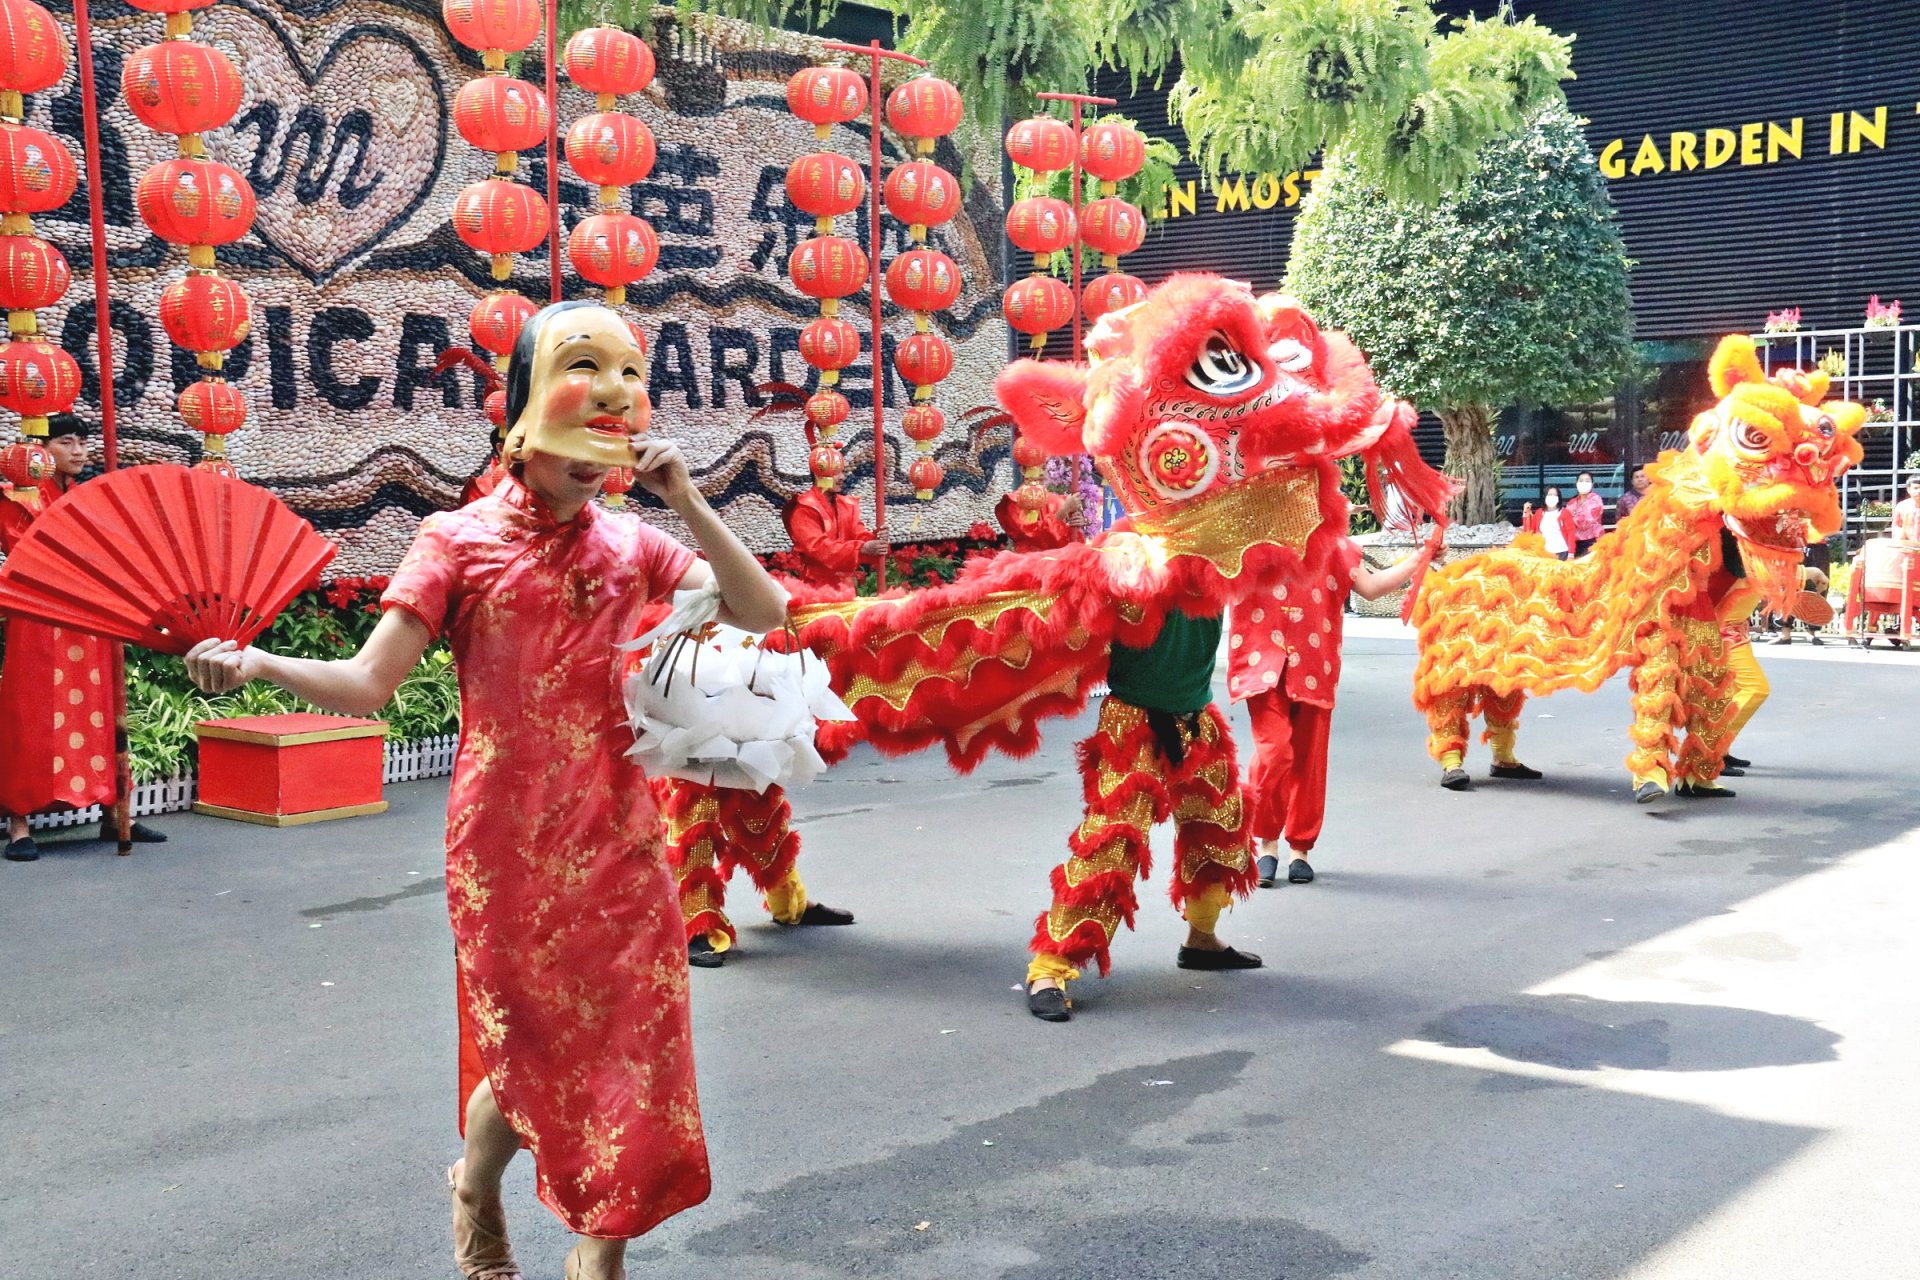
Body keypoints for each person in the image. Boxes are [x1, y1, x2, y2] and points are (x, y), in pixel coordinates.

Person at [184, 302, 789, 1280]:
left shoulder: (633, 546)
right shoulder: (454, 540)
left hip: (621, 838)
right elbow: (368, 682)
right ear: (520, 417)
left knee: (635, 1052)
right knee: (534, 1053)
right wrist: (257, 665)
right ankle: (475, 1179)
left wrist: (688, 500)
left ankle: (597, 1258)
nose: (596, 456)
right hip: (504, 847)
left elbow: (766, 612)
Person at [651, 472, 865, 969]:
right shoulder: (680, 595)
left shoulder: (758, 608)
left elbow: (767, 611)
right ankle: (697, 922)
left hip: (743, 718)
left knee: (761, 806)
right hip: (690, 722)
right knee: (695, 815)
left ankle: (789, 902)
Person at [0, 419, 165, 862]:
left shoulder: (85, 495)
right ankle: (19, 824)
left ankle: (115, 813)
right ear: (41, 447)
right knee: (32, 714)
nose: (77, 450)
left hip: (92, 618)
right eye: (65, 442)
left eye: (82, 442)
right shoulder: (18, 496)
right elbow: (30, 554)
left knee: (102, 711)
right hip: (41, 618)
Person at [1234, 537, 1432, 888]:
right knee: (1274, 752)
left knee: (1309, 760)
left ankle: (1300, 849)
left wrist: (1420, 556)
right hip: (1261, 662)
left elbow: (1371, 587)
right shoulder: (1250, 538)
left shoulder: (1335, 545)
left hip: (1314, 664)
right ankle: (1266, 841)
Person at [995, 487, 1082, 553]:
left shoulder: (1057, 500)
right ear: (1023, 470)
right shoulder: (1014, 502)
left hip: (1056, 563)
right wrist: (1062, 512)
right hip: (1028, 565)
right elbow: (1031, 535)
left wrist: (1073, 525)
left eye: (1043, 468)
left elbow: (1066, 542)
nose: (1041, 473)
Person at [1523, 487, 1574, 560]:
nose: (1552, 497)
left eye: (1555, 495)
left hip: (1562, 552)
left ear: (1559, 498)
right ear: (1545, 497)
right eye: (1550, 494)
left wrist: (1571, 554)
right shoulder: (1539, 512)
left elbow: (1571, 534)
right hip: (1543, 553)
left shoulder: (1565, 513)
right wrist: (1526, 513)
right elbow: (1529, 532)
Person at [1567, 471, 1605, 556]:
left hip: (1592, 541)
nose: (1583, 483)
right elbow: (1567, 522)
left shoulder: (1596, 499)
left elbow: (1585, 523)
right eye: (1581, 480)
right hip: (1575, 543)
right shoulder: (1572, 502)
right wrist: (1575, 516)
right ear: (1576, 483)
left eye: (1587, 481)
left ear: (1592, 484)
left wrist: (1573, 516)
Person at [1892, 474, 1920, 544]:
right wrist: (1899, 534)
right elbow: (1896, 525)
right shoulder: (1902, 506)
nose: (1919, 491)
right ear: (1908, 489)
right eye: (1916, 488)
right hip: (1908, 546)